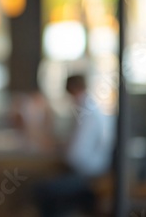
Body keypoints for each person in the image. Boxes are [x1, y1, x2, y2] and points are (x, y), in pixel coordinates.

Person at [35, 75, 114, 217]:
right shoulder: (90, 107)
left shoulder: (86, 110)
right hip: (90, 171)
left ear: (74, 90)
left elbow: (75, 155)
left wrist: (59, 150)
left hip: (88, 176)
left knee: (41, 189)